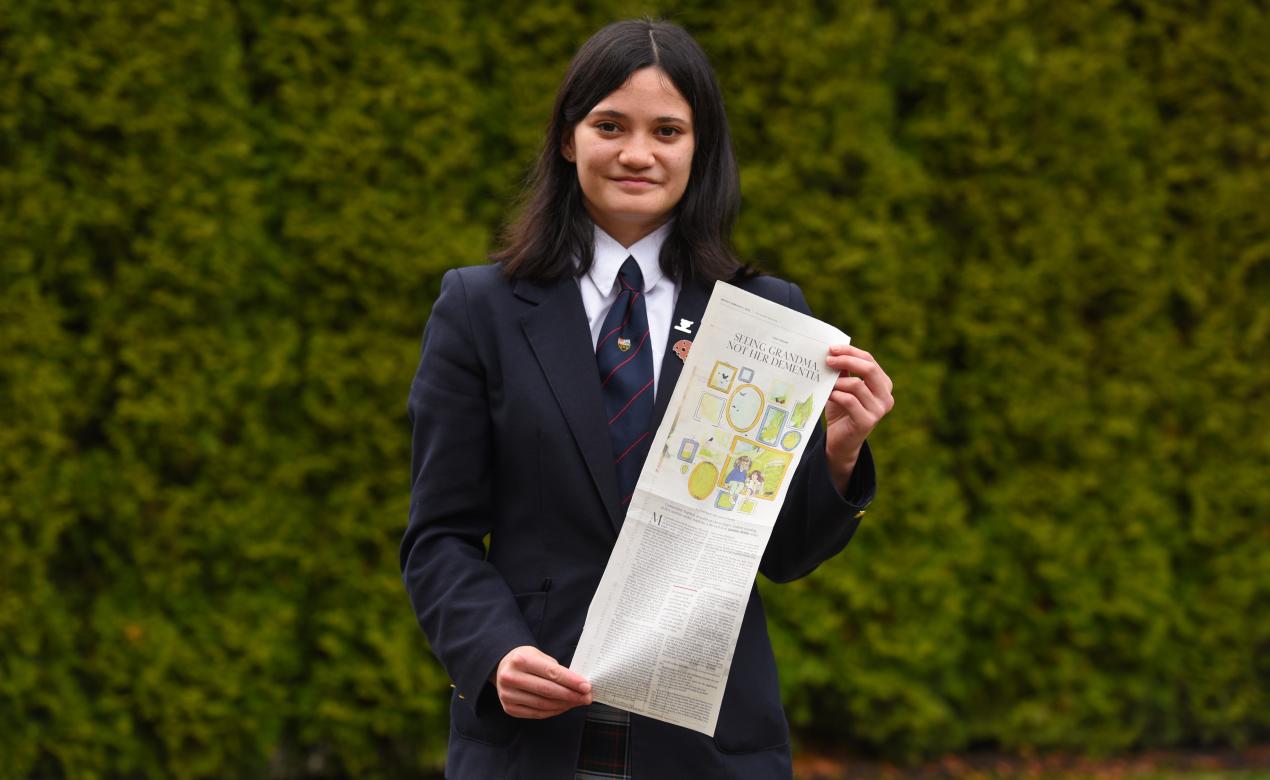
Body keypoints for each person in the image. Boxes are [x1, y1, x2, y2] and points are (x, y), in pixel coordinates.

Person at [401, 18, 894, 779]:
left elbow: (789, 555)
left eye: (668, 130)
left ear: (700, 150)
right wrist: (494, 652)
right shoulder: (479, 311)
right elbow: (440, 536)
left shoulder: (766, 317)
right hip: (535, 739)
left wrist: (840, 451)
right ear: (569, 139)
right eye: (610, 125)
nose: (638, 153)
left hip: (710, 745)